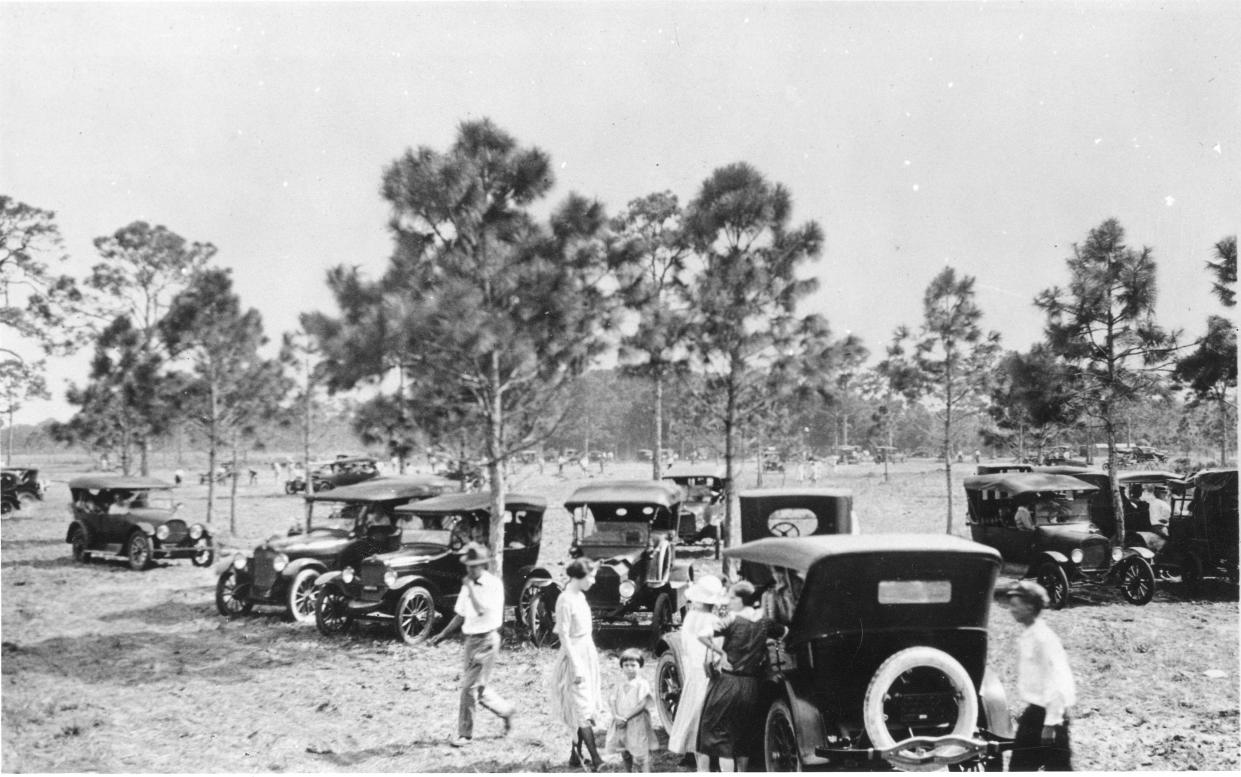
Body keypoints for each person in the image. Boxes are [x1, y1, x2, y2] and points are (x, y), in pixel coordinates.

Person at [428, 543, 515, 747]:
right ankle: (506, 710)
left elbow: (482, 610)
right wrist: (442, 634)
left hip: (487, 640)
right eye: (468, 566)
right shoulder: (467, 585)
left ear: (483, 565)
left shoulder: (493, 585)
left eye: (474, 566)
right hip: (471, 641)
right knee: (477, 689)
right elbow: (461, 614)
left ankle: (465, 734)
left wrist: (469, 588)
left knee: (468, 688)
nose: (469, 570)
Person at [698, 581, 786, 772]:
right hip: (751, 685)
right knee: (743, 738)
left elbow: (702, 635)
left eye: (732, 597)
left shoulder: (732, 619)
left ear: (743, 600)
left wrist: (720, 653)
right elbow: (784, 632)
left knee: (721, 740)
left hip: (728, 683)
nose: (728, 601)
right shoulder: (764, 622)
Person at [1006, 580, 1076, 771]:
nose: (1011, 610)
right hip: (1035, 714)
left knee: (1058, 769)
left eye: (1015, 605)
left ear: (1029, 607)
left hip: (1050, 716)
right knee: (1019, 768)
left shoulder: (1043, 638)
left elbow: (1056, 681)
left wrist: (1051, 724)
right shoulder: (1028, 635)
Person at [549, 557, 604, 770]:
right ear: (579, 576)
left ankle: (575, 754)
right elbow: (563, 635)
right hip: (574, 655)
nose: (593, 581)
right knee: (580, 706)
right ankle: (596, 758)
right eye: (590, 577)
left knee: (584, 703)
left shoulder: (580, 596)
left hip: (586, 650)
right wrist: (576, 665)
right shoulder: (565, 599)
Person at [667, 576, 727, 770]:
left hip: (694, 673)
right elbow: (719, 652)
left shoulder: (690, 618)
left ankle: (703, 769)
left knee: (695, 724)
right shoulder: (715, 622)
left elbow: (685, 646)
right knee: (709, 724)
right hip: (710, 677)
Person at [605, 648, 656, 772]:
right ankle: (628, 771)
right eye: (626, 665)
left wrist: (627, 717)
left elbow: (642, 704)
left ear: (640, 666)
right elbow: (612, 700)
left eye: (633, 665)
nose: (629, 668)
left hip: (636, 722)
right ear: (621, 667)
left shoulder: (641, 684)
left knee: (640, 751)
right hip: (621, 722)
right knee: (625, 749)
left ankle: (645, 771)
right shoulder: (619, 683)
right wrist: (616, 716)